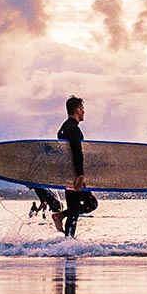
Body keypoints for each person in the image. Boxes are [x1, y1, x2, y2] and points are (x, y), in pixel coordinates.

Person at [50, 95, 98, 238]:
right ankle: (68, 241)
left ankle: (66, 237)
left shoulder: (63, 128)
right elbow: (77, 153)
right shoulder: (74, 129)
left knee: (74, 210)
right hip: (74, 176)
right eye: (82, 109)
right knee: (87, 205)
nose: (83, 112)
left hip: (67, 177)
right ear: (77, 109)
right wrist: (80, 175)